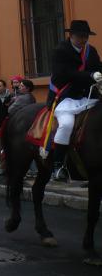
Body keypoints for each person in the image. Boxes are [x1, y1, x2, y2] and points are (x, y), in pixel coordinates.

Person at [49, 20, 102, 180]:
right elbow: (63, 73)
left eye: (86, 36)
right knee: (66, 124)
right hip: (66, 97)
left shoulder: (90, 50)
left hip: (88, 96)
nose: (83, 40)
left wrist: (98, 73)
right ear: (71, 35)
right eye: (80, 36)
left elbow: (97, 67)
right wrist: (90, 75)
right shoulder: (60, 51)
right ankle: (58, 165)